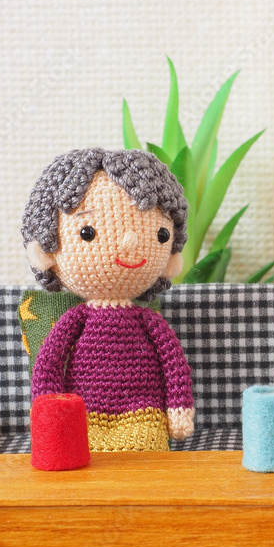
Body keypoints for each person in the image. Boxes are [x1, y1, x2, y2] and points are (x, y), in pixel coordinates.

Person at [21, 148, 194, 452]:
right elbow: (49, 364)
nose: (129, 243)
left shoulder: (149, 322)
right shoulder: (75, 320)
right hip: (82, 414)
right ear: (46, 249)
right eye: (87, 232)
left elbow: (173, 364)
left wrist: (178, 408)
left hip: (143, 411)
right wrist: (49, 413)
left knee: (146, 451)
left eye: (160, 235)